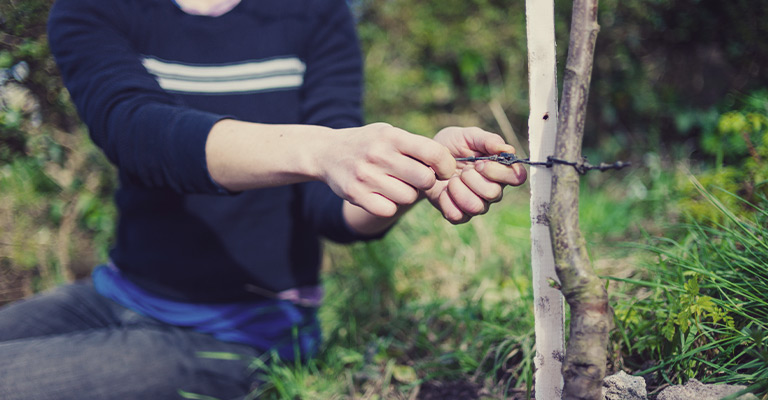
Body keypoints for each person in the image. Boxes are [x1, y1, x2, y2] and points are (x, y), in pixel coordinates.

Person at [0, 0, 527, 398]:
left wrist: (411, 175)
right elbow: (136, 133)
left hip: (247, 335)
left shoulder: (313, 12)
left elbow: (330, 210)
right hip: (117, 295)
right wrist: (323, 149)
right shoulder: (93, 8)